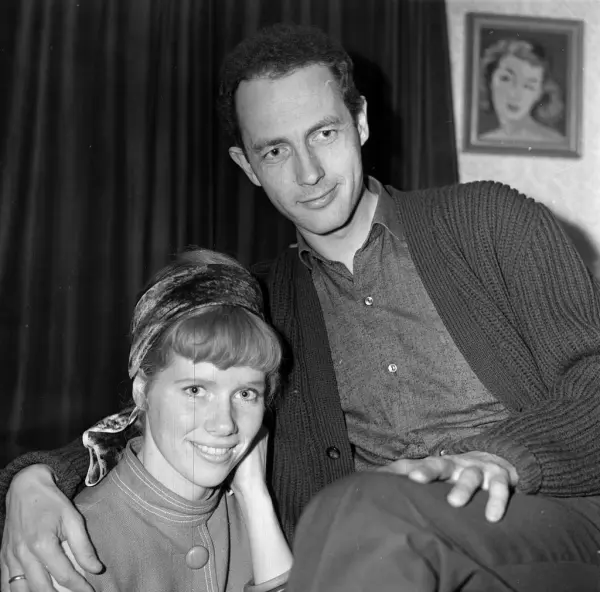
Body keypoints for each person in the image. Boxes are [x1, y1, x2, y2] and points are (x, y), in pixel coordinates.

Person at [2, 22, 600, 592]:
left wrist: (502, 458)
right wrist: (35, 478)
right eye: (275, 151)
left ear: (360, 122)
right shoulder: (265, 302)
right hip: (383, 559)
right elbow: (167, 401)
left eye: (324, 134)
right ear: (248, 166)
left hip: (547, 519)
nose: (309, 173)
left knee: (365, 512)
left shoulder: (490, 221)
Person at [11, 248, 292, 592]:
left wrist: (255, 497)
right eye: (195, 390)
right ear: (143, 390)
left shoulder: (257, 513)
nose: (225, 424)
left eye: (246, 394)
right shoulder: (75, 549)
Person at [478, 38, 565, 142]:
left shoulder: (554, 142)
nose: (515, 94)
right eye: (506, 79)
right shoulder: (482, 141)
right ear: (490, 80)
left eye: (528, 86)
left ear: (539, 93)